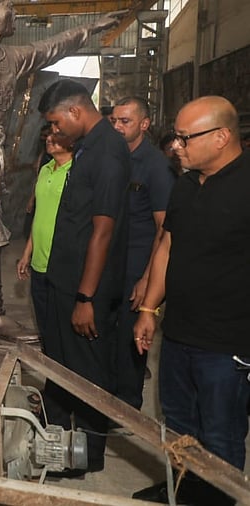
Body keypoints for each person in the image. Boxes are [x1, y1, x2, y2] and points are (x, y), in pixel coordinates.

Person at [0, 0, 120, 340]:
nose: (15, 13)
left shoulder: (10, 58)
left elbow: (50, 47)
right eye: (8, 6)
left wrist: (89, 29)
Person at [132, 96, 250, 506]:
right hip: (179, 335)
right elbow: (167, 244)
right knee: (178, 425)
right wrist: (149, 309)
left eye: (185, 138)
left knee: (220, 434)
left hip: (227, 344)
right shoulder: (185, 184)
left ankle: (217, 500)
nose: (176, 146)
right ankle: (181, 491)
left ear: (221, 137)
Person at [37, 79, 130, 476]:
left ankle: (88, 456)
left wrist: (86, 298)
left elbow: (103, 230)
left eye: (57, 123)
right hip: (63, 278)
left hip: (84, 287)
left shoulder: (107, 152)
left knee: (87, 372)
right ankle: (57, 439)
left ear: (76, 111)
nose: (55, 132)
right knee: (60, 364)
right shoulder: (88, 147)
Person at [108, 97, 175, 409]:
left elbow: (164, 229)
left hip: (139, 263)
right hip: (113, 262)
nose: (118, 127)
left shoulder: (156, 166)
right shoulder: (116, 158)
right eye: (115, 121)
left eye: (126, 121)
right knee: (110, 335)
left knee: (132, 339)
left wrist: (147, 280)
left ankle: (128, 404)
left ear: (144, 124)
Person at [15, 133, 74, 343]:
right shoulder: (46, 169)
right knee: (44, 325)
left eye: (57, 135)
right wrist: (26, 254)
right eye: (48, 134)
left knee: (62, 327)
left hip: (60, 263)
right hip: (39, 261)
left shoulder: (76, 172)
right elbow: (40, 215)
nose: (49, 138)